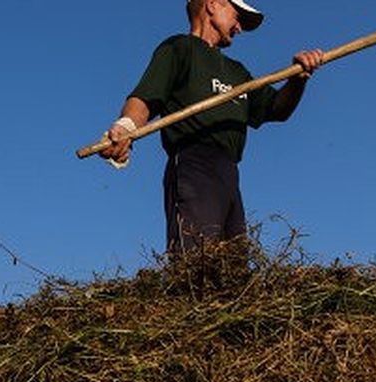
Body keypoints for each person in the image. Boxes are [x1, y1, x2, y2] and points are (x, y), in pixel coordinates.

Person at [99, 0, 324, 253]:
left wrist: (298, 80)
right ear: (213, 4)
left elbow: (276, 109)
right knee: (198, 258)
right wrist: (125, 127)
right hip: (193, 165)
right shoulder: (180, 48)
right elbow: (146, 97)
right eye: (237, 16)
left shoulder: (237, 73)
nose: (239, 26)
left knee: (233, 270)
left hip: (228, 172)